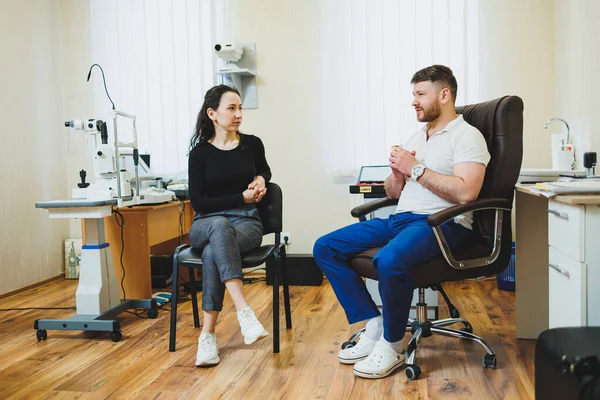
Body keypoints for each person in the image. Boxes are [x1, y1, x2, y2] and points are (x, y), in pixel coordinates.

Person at [313, 65, 491, 379]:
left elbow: (466, 192)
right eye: (414, 94)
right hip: (401, 220)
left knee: (390, 259)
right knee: (325, 247)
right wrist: (398, 172)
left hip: (443, 224)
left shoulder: (467, 136)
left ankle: (392, 345)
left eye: (421, 94)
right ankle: (374, 322)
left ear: (444, 94)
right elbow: (395, 192)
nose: (414, 101)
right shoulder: (418, 135)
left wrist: (417, 169)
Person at [188, 84, 270, 367]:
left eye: (240, 108)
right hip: (205, 224)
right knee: (218, 226)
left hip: (246, 223)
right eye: (231, 108)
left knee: (213, 252)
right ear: (212, 113)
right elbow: (198, 203)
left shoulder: (252, 144)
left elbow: (265, 170)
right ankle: (243, 310)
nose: (238, 115)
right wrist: (240, 197)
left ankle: (207, 337)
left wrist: (260, 180)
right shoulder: (199, 154)